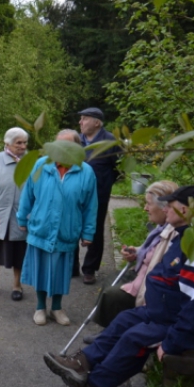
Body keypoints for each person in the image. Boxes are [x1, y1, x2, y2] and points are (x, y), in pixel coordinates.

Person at [44, 185, 194, 387]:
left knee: (135, 338)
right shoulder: (184, 238)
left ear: (185, 210)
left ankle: (92, 384)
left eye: (170, 206)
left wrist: (173, 343)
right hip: (164, 313)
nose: (166, 209)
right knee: (125, 319)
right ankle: (82, 363)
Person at [16, 129, 97, 326]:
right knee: (41, 269)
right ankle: (40, 307)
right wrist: (21, 218)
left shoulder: (85, 171)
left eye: (66, 145)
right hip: (41, 228)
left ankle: (57, 307)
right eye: (57, 144)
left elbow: (90, 205)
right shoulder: (40, 165)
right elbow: (28, 194)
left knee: (62, 271)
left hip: (66, 230)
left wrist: (88, 232)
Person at [87, 180, 179, 333]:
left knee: (112, 295)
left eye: (149, 204)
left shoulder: (173, 232)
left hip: (149, 286)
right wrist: (136, 252)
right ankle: (109, 331)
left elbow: (160, 264)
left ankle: (113, 334)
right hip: (141, 274)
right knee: (109, 280)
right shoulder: (161, 227)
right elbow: (150, 251)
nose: (145, 208)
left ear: (164, 208)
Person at [0, 127, 29, 301]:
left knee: (19, 251)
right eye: (19, 143)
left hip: (21, 214)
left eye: (25, 142)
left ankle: (17, 285)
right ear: (7, 143)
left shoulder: (31, 161)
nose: (23, 146)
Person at [75, 107, 119, 285]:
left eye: (84, 119)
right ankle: (71, 267)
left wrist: (104, 184)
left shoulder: (109, 141)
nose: (80, 122)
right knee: (72, 226)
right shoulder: (77, 141)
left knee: (94, 230)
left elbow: (119, 168)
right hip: (75, 194)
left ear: (97, 122)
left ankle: (90, 269)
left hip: (98, 195)